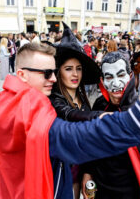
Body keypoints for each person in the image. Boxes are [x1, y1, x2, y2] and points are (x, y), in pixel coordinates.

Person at [0, 41, 140, 199]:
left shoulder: (10, 101)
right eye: (46, 73)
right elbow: (71, 137)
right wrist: (139, 120)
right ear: (22, 75)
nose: (53, 78)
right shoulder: (21, 109)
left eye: (54, 71)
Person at [81, 51, 140, 199]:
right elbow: (91, 144)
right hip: (102, 188)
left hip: (131, 192)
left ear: (130, 77)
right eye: (109, 77)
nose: (116, 83)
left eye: (120, 75)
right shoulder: (100, 105)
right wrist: (87, 172)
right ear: (102, 81)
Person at [49, 23, 103, 199]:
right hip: (65, 173)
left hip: (86, 169)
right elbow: (68, 113)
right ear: (59, 72)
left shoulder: (84, 100)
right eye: (68, 69)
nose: (75, 74)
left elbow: (91, 142)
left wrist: (89, 176)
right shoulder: (54, 100)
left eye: (78, 68)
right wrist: (100, 117)